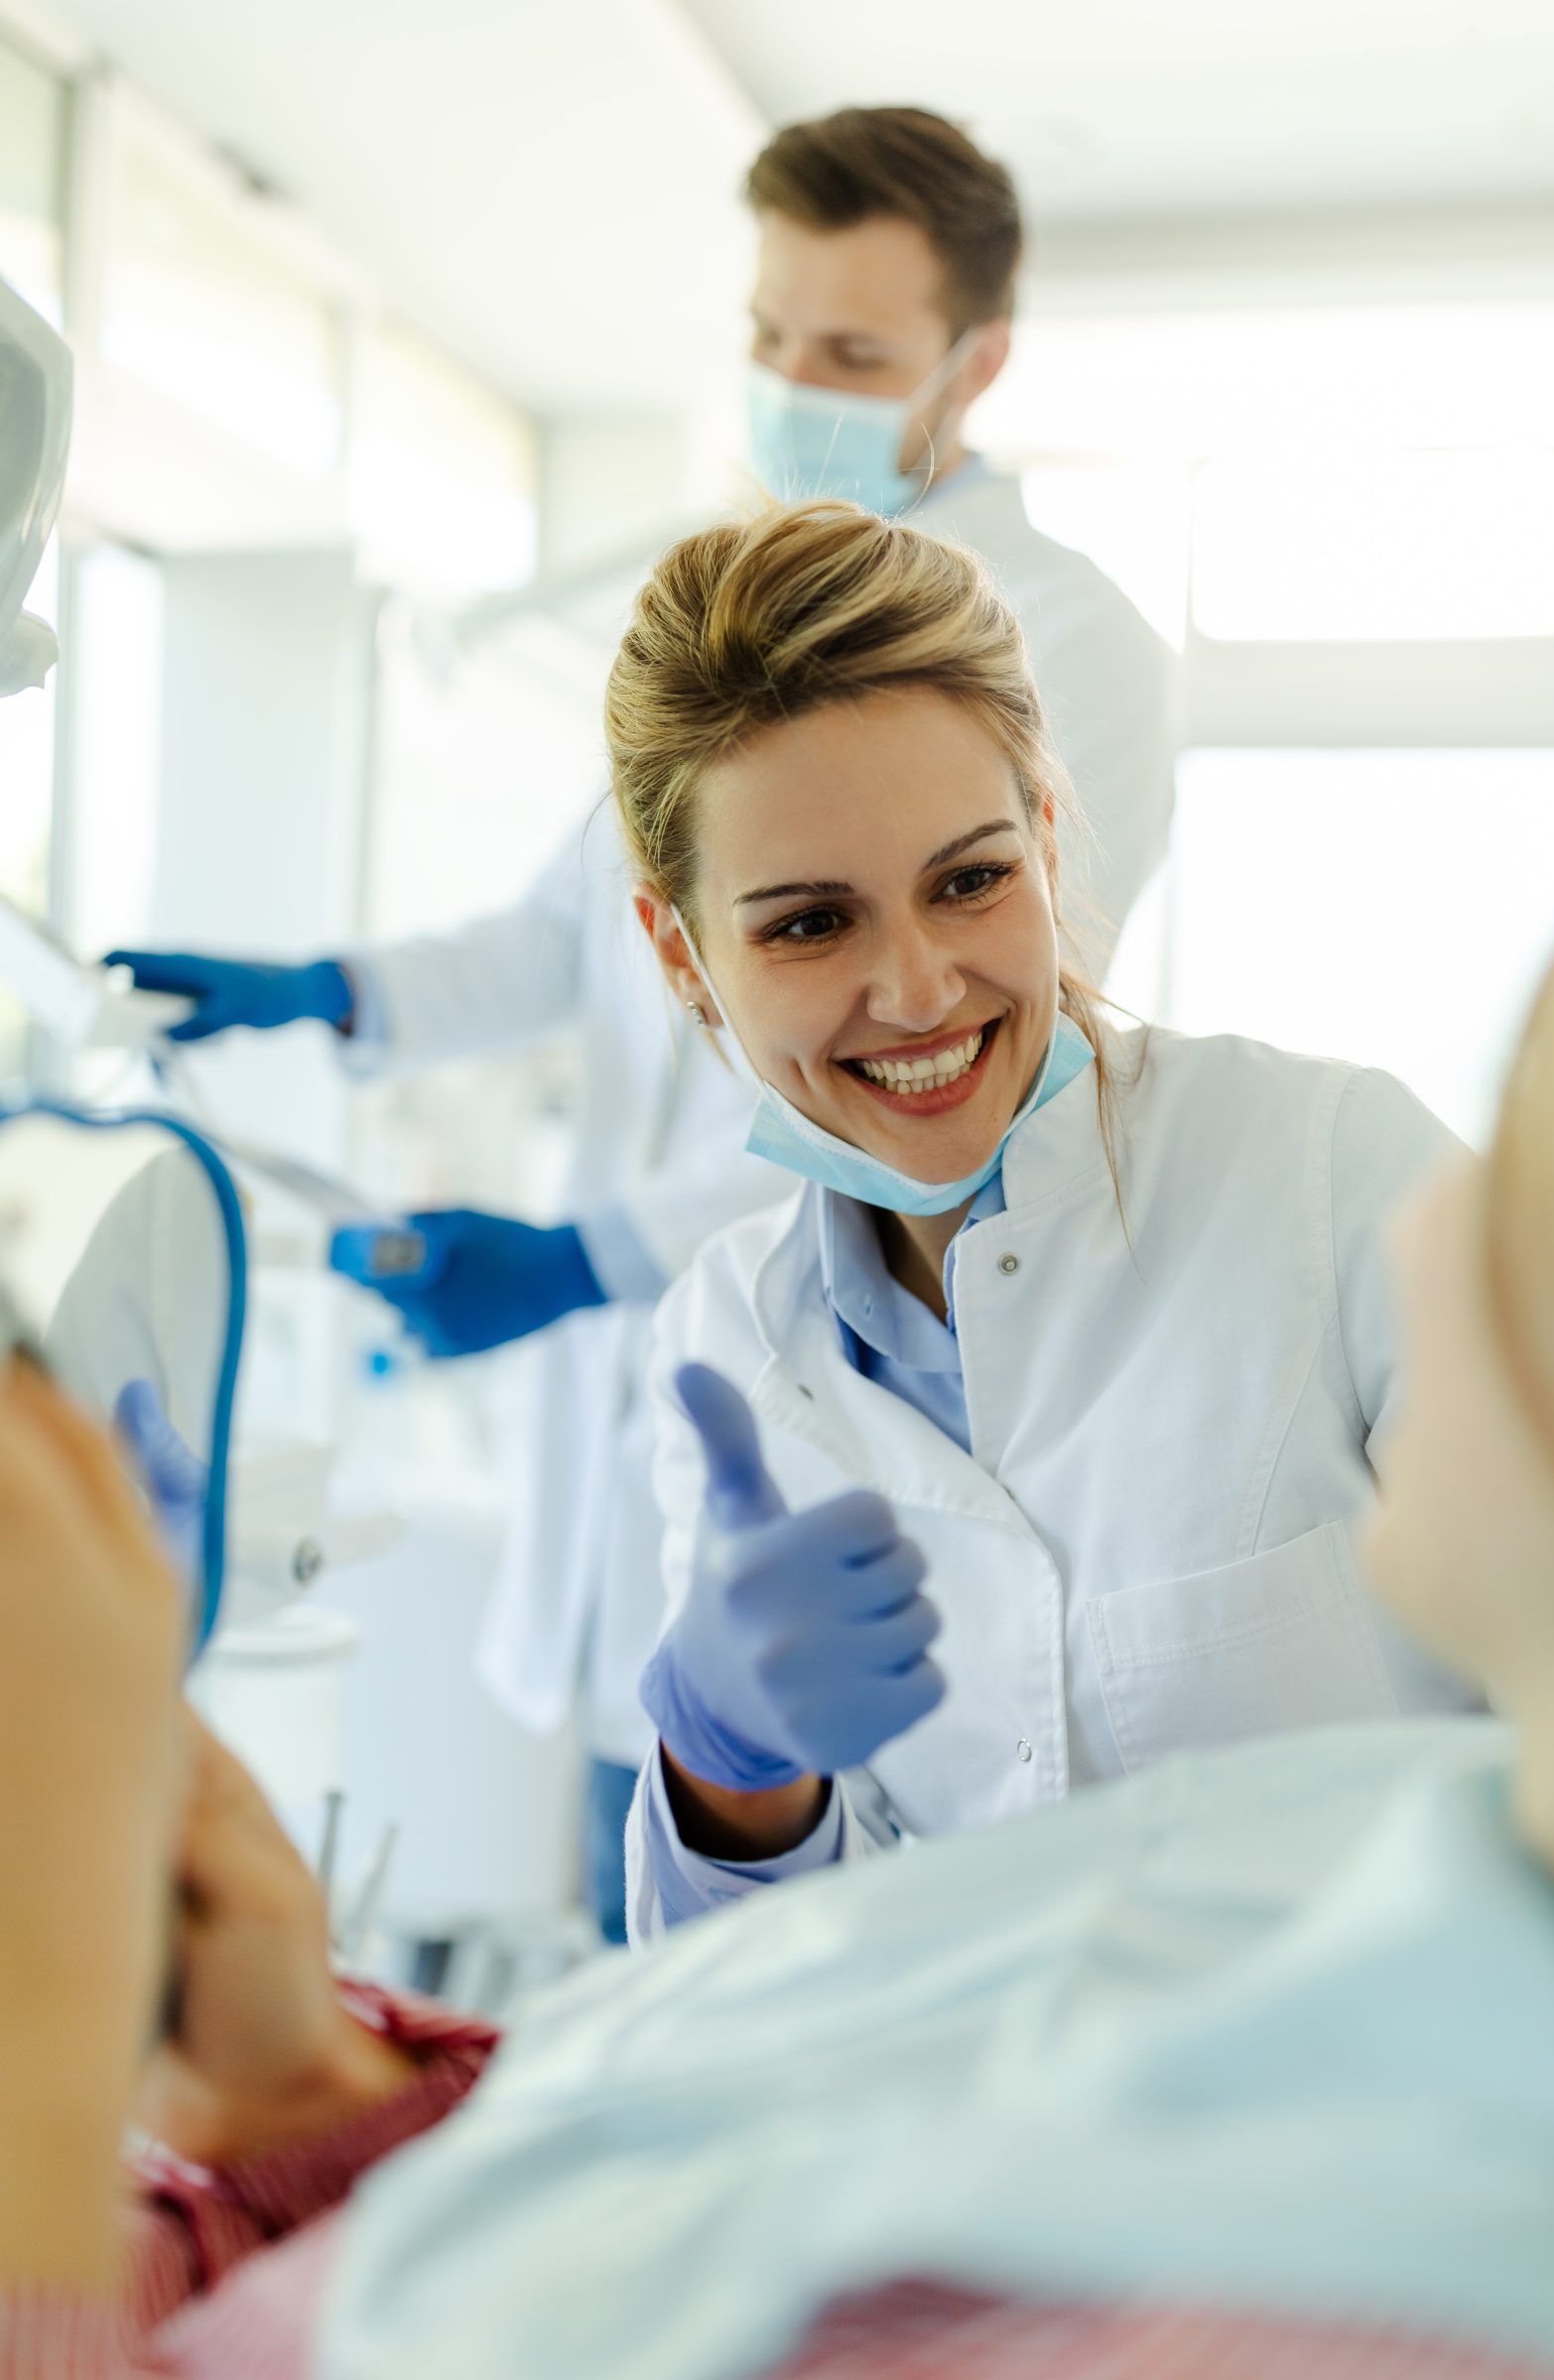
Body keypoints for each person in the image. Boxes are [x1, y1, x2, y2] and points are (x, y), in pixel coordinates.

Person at [6, 798, 1554, 2380]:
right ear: (686, 949)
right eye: (806, 923)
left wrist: (42, 2056)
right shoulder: (1423, 1859)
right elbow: (747, 2186)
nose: (1436, 1233)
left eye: (1539, 1179)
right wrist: (316, 2103)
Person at [107, 106, 1177, 1945]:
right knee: (658, 1868)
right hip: (654, 1417)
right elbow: (570, 935)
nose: (793, 387)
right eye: (772, 339)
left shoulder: (1062, 641)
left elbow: (948, 1057)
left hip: (869, 1401)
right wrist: (327, 995)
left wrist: (583, 1254)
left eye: (850, 355)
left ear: (975, 360)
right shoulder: (729, 623)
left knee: (794, 1930)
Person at [592, 497, 1478, 1936]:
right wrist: (727, 1771)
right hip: (980, 2147)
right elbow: (757, 1998)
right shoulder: (725, 1349)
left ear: (1050, 844)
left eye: (972, 880)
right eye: (810, 923)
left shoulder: (1336, 1176)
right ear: (681, 953)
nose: (922, 990)